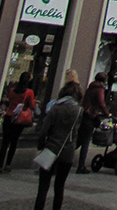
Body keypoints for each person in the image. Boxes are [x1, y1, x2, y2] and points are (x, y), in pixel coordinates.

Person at [33, 78, 81, 210]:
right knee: (59, 187)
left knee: (43, 187)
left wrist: (41, 144)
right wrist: (74, 145)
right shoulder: (78, 111)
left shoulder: (55, 108)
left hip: (51, 149)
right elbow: (78, 133)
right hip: (67, 153)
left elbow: (43, 130)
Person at [0, 71, 36, 173]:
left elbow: (10, 101)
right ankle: (8, 164)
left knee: (5, 142)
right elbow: (32, 106)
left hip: (8, 116)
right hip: (18, 119)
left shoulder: (11, 90)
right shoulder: (29, 92)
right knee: (14, 142)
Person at [75, 71, 108, 173]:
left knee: (79, 140)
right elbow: (101, 102)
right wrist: (107, 113)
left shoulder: (90, 88)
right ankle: (81, 166)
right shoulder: (99, 89)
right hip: (91, 116)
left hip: (84, 115)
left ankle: (61, 158)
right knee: (85, 142)